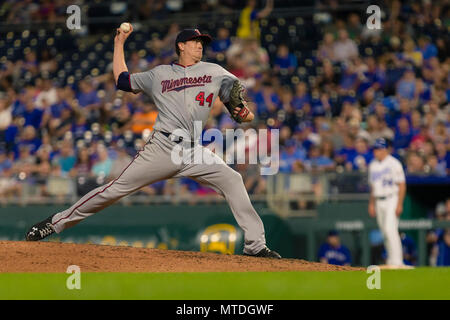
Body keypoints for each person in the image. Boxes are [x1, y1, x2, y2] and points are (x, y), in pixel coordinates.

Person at [25, 27, 281, 259]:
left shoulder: (215, 71)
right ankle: (55, 223)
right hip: (162, 147)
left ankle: (255, 245)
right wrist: (119, 43)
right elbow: (122, 80)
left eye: (202, 42)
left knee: (232, 179)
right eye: (194, 41)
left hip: (194, 150)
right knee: (113, 190)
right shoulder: (159, 74)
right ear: (181, 46)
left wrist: (243, 113)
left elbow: (242, 111)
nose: (200, 45)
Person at [368, 138, 407, 267]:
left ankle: (398, 261)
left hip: (391, 198)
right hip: (379, 200)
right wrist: (371, 203)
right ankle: (391, 260)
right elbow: (373, 187)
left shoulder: (394, 163)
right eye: (375, 149)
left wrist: (399, 204)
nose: (376, 151)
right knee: (384, 231)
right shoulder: (372, 165)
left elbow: (402, 185)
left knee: (390, 229)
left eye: (379, 149)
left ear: (385, 149)